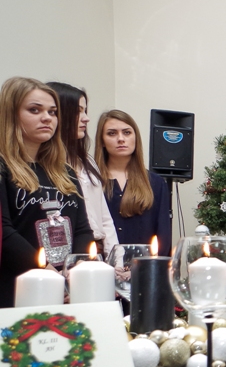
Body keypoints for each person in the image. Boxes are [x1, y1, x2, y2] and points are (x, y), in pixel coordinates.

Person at [0, 77, 94, 307]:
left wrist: (73, 272)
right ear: (11, 114)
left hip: (64, 288)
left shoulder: (65, 172)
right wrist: (46, 271)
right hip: (17, 287)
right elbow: (5, 232)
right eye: (35, 110)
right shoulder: (3, 167)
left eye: (52, 112)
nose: (47, 118)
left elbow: (82, 229)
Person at [47, 82, 118, 255]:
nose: (86, 118)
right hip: (68, 251)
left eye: (85, 111)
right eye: (78, 111)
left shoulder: (87, 162)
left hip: (97, 250)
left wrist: (116, 259)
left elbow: (105, 218)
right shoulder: (46, 165)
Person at [94, 109, 171, 254]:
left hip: (144, 266)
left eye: (127, 132)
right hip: (103, 265)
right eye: (112, 133)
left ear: (135, 137)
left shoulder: (155, 183)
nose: (121, 139)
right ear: (102, 141)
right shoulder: (92, 182)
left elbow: (163, 237)